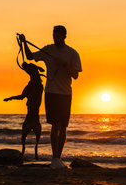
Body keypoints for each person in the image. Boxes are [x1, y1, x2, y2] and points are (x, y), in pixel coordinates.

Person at [19, 25, 82, 169]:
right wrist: (24, 43)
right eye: (54, 35)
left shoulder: (72, 53)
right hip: (51, 92)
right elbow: (30, 57)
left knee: (63, 126)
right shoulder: (48, 49)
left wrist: (65, 65)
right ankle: (54, 159)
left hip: (66, 93)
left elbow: (76, 75)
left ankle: (58, 157)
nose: (55, 38)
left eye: (58, 35)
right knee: (55, 125)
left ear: (64, 36)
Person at [3, 62, 44, 160]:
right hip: (35, 118)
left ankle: (23, 154)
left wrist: (10, 98)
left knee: (24, 139)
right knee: (35, 140)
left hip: (30, 118)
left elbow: (21, 97)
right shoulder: (39, 86)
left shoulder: (32, 86)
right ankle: (35, 155)